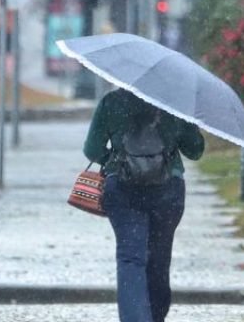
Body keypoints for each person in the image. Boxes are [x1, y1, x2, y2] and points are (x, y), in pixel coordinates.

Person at [83, 87, 205, 322]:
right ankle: (155, 316)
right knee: (159, 259)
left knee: (130, 257)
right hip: (168, 190)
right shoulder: (175, 102)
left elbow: (92, 149)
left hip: (122, 189)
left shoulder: (111, 102)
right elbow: (195, 150)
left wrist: (116, 161)